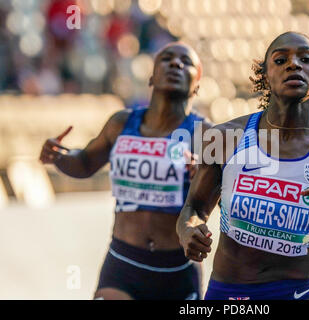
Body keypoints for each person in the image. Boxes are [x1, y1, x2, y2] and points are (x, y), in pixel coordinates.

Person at [176, 32, 309, 300]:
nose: (293, 64)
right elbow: (193, 209)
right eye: (281, 59)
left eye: (306, 59)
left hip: (296, 293)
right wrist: (188, 231)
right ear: (266, 75)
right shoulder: (225, 138)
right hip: (228, 293)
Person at [40, 42, 211, 300]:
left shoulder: (207, 134)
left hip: (177, 270)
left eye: (186, 62)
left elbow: (223, 200)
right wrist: (61, 157)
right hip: (123, 264)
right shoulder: (121, 123)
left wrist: (203, 176)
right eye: (166, 58)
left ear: (197, 83)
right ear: (152, 76)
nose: (176, 63)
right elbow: (85, 162)